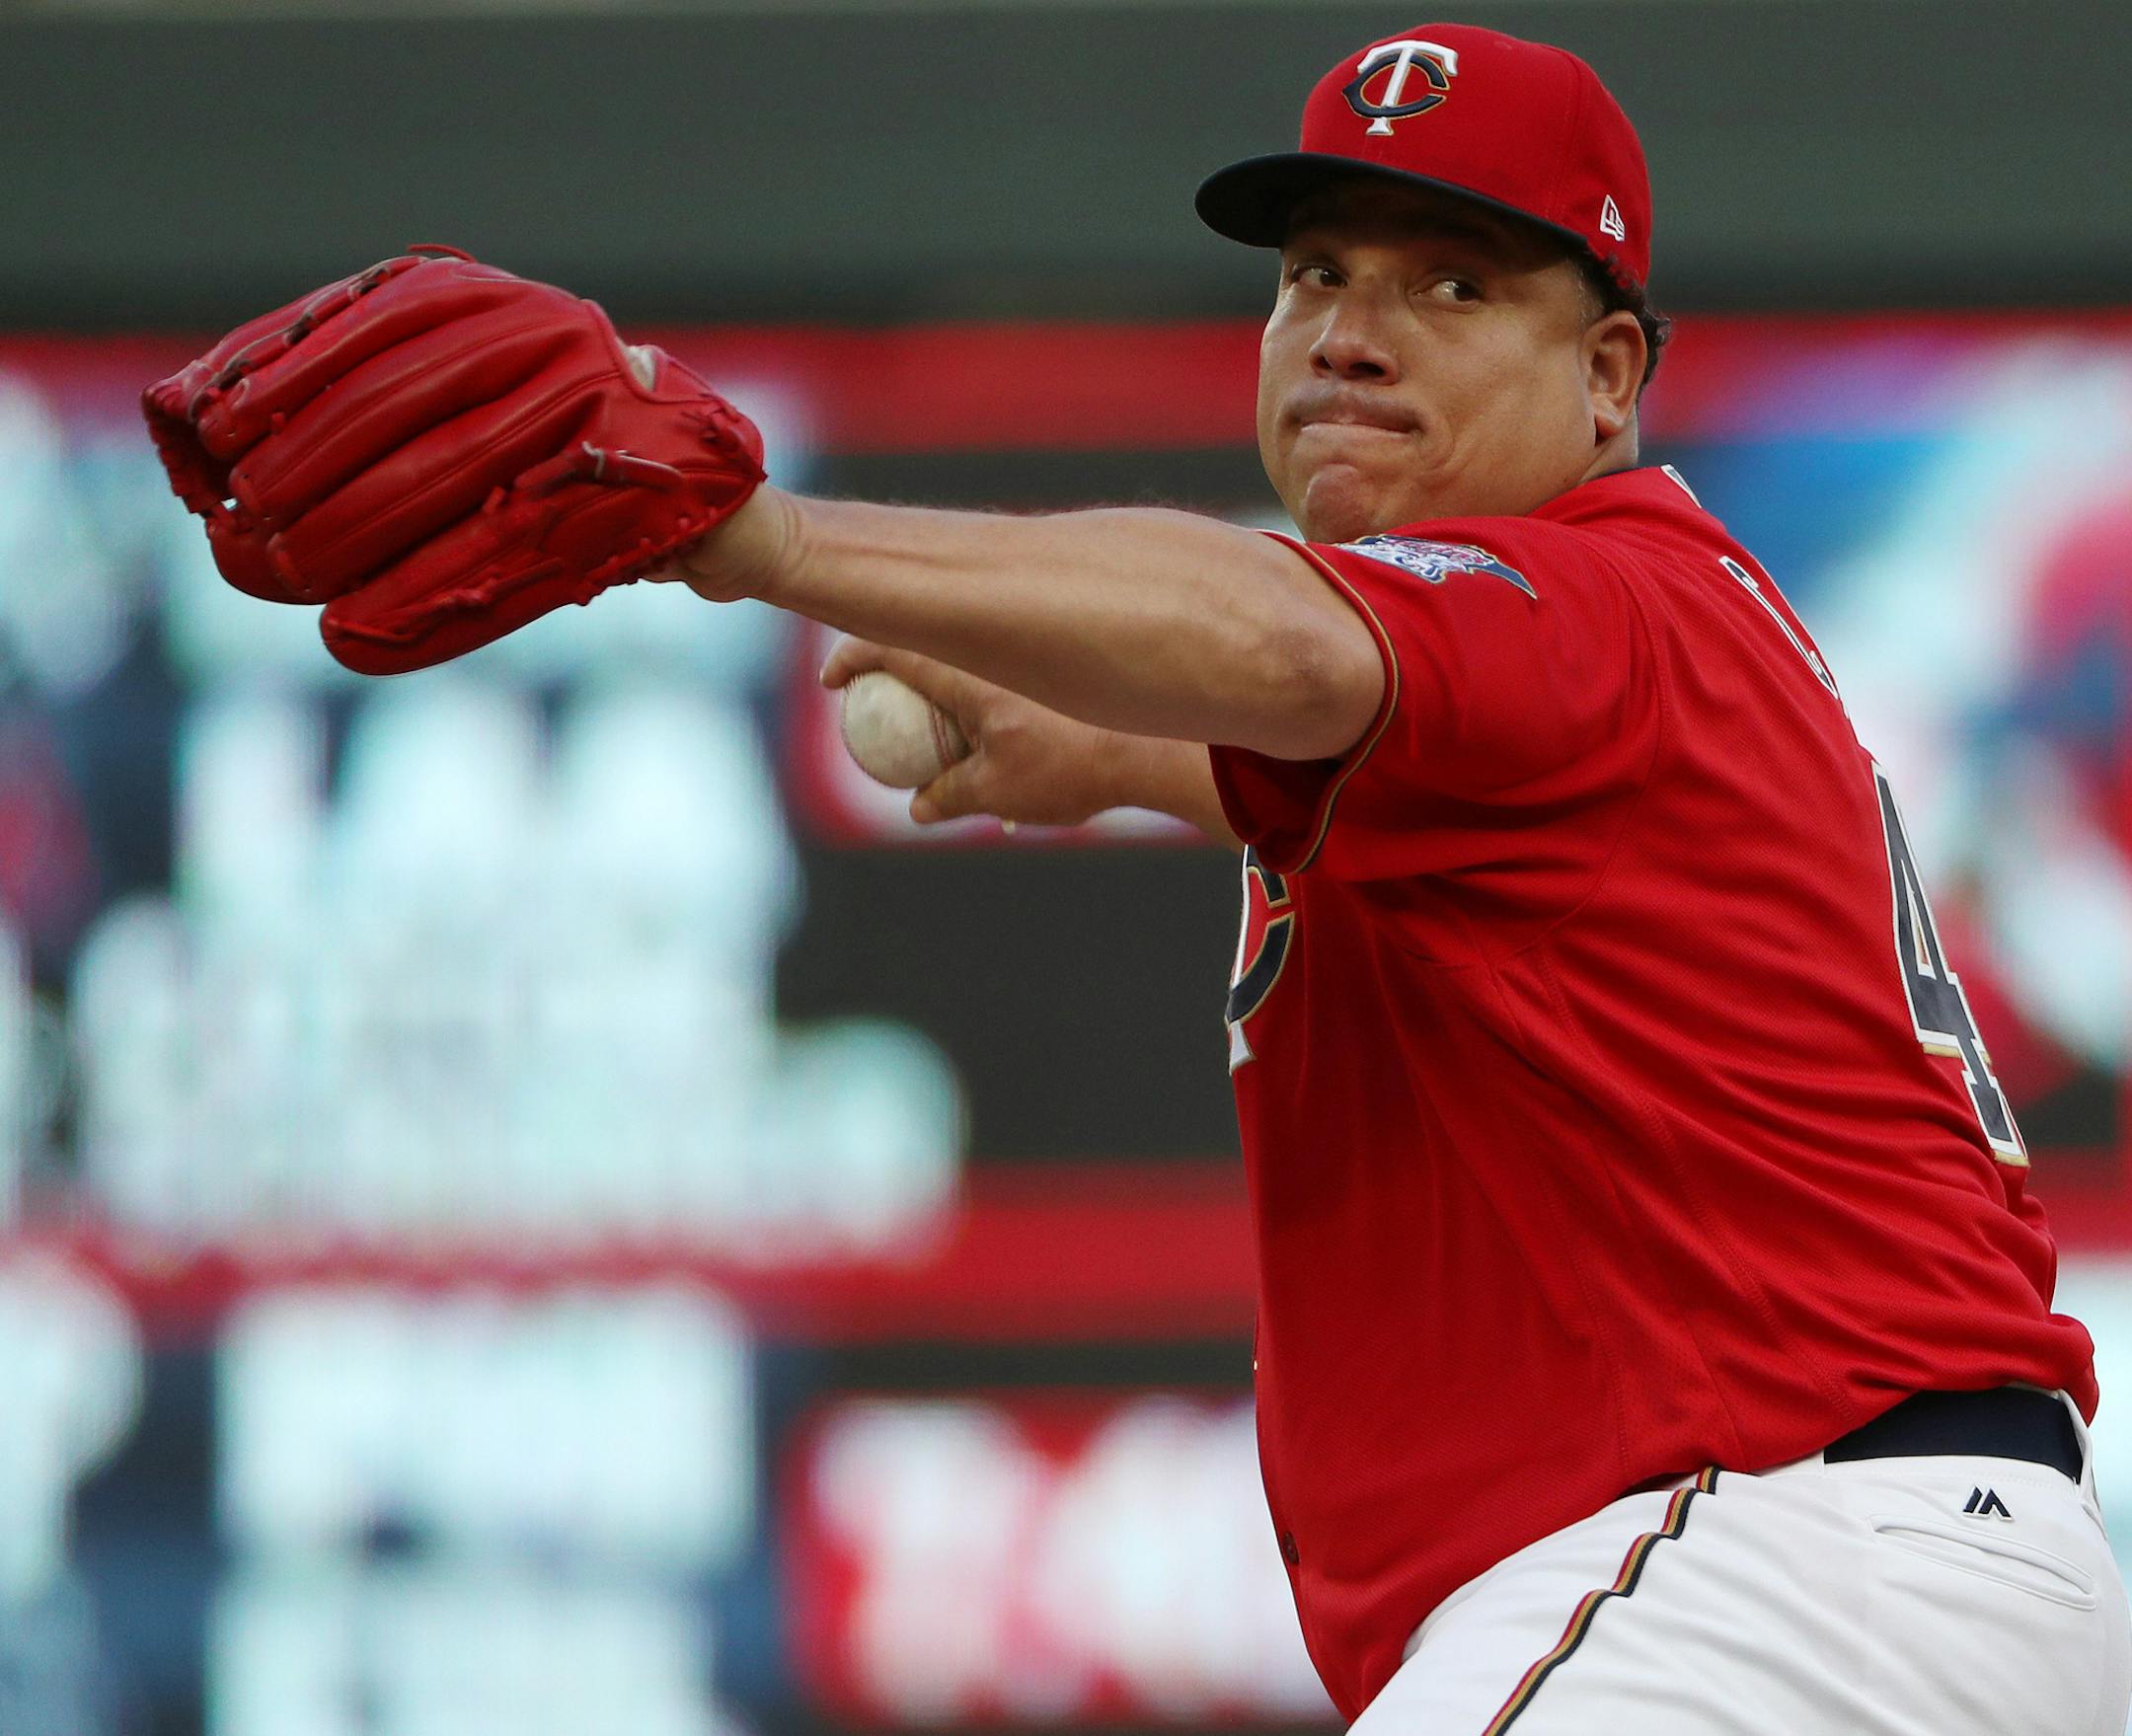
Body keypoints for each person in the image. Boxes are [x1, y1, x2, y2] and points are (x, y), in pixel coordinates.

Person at [659, 23, 2131, 1733]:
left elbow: (1284, 637)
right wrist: (1116, 750)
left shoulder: (1588, 597)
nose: (1351, 333)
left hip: (1755, 1565)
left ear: (1609, 377)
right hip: (1912, 1577)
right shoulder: (1592, 672)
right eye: (1316, 274)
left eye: (1453, 285)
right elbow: (1356, 754)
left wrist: (760, 534)